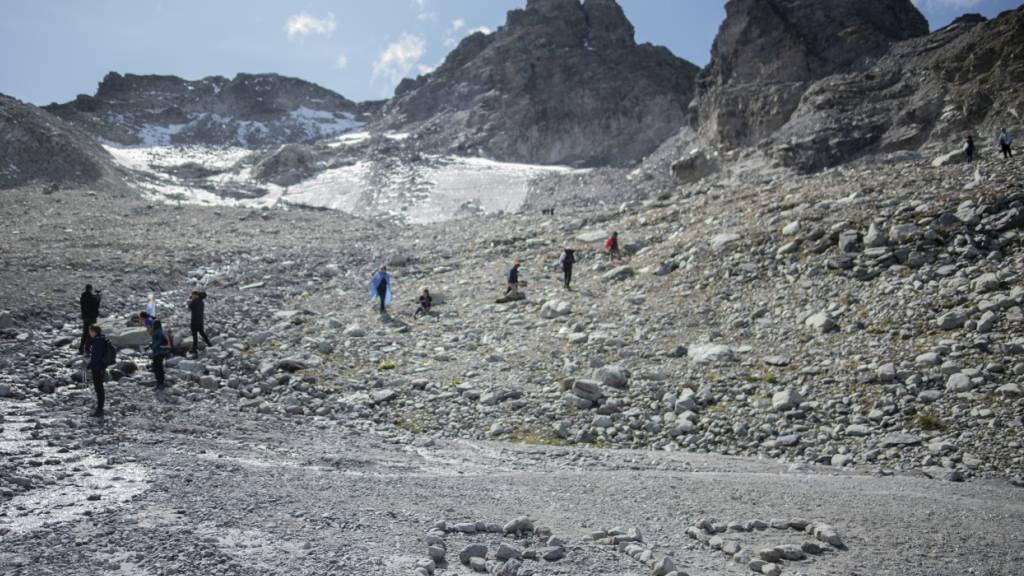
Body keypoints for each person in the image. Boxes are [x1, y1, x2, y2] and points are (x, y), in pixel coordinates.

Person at [86, 324, 111, 417]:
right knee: (99, 388)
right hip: (101, 366)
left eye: (90, 331)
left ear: (94, 332)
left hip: (98, 368)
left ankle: (99, 409)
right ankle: (100, 407)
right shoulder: (102, 339)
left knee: (99, 388)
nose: (89, 333)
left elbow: (96, 357)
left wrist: (89, 366)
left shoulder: (98, 341)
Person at [187, 290, 211, 356]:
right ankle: (209, 344)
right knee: (202, 333)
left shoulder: (195, 301)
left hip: (194, 321)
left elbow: (189, 307)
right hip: (200, 320)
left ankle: (194, 349)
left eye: (193, 295)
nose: (192, 296)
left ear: (196, 295)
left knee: (195, 335)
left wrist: (191, 301)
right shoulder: (201, 302)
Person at [79, 284, 101, 354]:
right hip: (91, 318)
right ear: (91, 289)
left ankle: (81, 348)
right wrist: (98, 297)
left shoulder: (83, 296)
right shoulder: (92, 297)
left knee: (85, 333)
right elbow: (96, 305)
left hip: (85, 317)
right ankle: (87, 349)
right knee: (91, 333)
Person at [150, 319, 167, 390]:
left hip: (157, 352)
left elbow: (157, 342)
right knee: (160, 367)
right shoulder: (161, 331)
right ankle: (161, 382)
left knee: (156, 367)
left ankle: (159, 383)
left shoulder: (156, 332)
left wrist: (152, 346)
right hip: (162, 352)